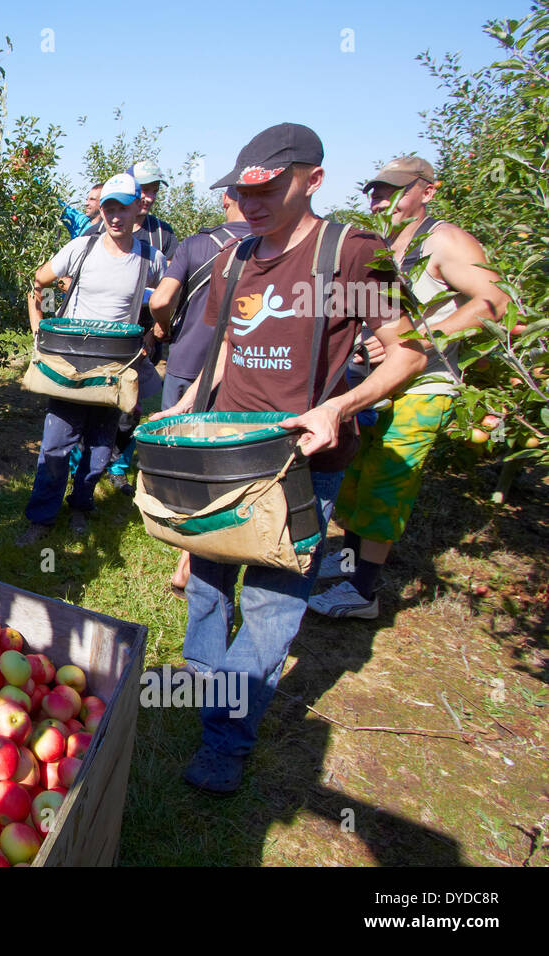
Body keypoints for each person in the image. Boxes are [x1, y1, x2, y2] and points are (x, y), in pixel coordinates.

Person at [151, 123, 428, 794]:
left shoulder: (350, 256)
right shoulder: (235, 260)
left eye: (269, 189)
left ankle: (225, 739)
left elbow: (411, 351)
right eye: (242, 192)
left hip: (302, 462)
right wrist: (187, 404)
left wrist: (339, 407)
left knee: (274, 603)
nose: (252, 204)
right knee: (210, 586)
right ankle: (204, 689)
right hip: (227, 451)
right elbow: (223, 347)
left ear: (313, 179)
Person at [308, 156, 509, 619]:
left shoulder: (445, 239)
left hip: (422, 387)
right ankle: (349, 562)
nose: (382, 198)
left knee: (386, 488)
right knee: (357, 481)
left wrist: (418, 342)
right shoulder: (386, 244)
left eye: (395, 189)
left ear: (429, 191)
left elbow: (495, 300)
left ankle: (363, 593)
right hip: (378, 385)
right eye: (376, 190)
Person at [18, 172, 166, 546]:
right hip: (72, 364)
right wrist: (38, 328)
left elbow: (169, 298)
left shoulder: (151, 258)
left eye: (123, 208)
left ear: (138, 210)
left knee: (100, 449)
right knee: (55, 443)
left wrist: (154, 332)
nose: (116, 216)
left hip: (116, 368)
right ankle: (41, 518)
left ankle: (81, 508)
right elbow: (37, 282)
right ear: (102, 210)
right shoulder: (81, 249)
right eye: (109, 208)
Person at [146, 186, 251, 596]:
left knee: (180, 451)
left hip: (188, 360)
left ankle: (179, 528)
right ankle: (192, 556)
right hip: (241, 369)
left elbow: (162, 299)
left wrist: (164, 328)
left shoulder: (196, 244)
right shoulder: (269, 249)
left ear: (225, 199)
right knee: (219, 458)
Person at [105, 159, 179, 489]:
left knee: (130, 407)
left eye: (152, 190)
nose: (148, 196)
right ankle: (86, 465)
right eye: (143, 189)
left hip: (142, 339)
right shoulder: (101, 228)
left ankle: (118, 467)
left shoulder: (163, 234)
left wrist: (153, 333)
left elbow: (173, 289)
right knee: (95, 400)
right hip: (105, 336)